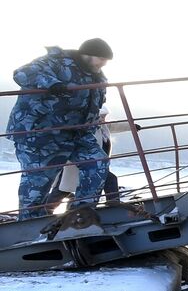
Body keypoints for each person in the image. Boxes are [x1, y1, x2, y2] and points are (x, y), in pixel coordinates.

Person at [6, 39, 114, 219]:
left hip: (78, 134)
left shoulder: (96, 75)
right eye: (101, 58)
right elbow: (22, 74)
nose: (103, 63)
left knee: (98, 162)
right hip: (41, 135)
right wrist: (52, 85)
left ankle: (80, 214)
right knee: (37, 184)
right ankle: (29, 226)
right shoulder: (55, 62)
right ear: (86, 55)